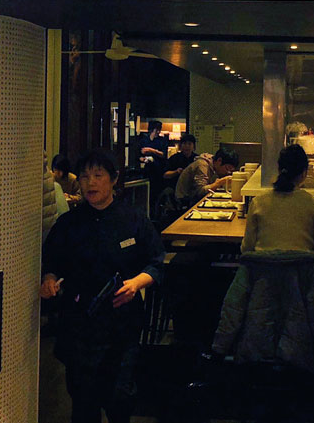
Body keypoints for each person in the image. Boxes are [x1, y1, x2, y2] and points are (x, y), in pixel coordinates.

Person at [40, 149, 165, 423]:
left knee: (119, 397)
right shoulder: (69, 223)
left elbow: (156, 263)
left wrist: (136, 283)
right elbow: (50, 262)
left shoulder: (133, 219)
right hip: (80, 323)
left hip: (122, 322)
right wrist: (48, 279)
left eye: (98, 176)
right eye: (84, 177)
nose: (90, 183)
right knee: (83, 401)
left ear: (113, 179)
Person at [241, 144, 314, 258]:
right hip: (301, 273)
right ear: (304, 173)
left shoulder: (258, 202)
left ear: (279, 170)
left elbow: (246, 248)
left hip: (264, 273)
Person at [174, 146, 239, 209]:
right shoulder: (202, 165)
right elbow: (200, 191)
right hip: (184, 201)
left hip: (194, 199)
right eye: (227, 168)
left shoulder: (213, 165)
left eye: (231, 170)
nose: (228, 172)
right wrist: (219, 183)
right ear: (219, 160)